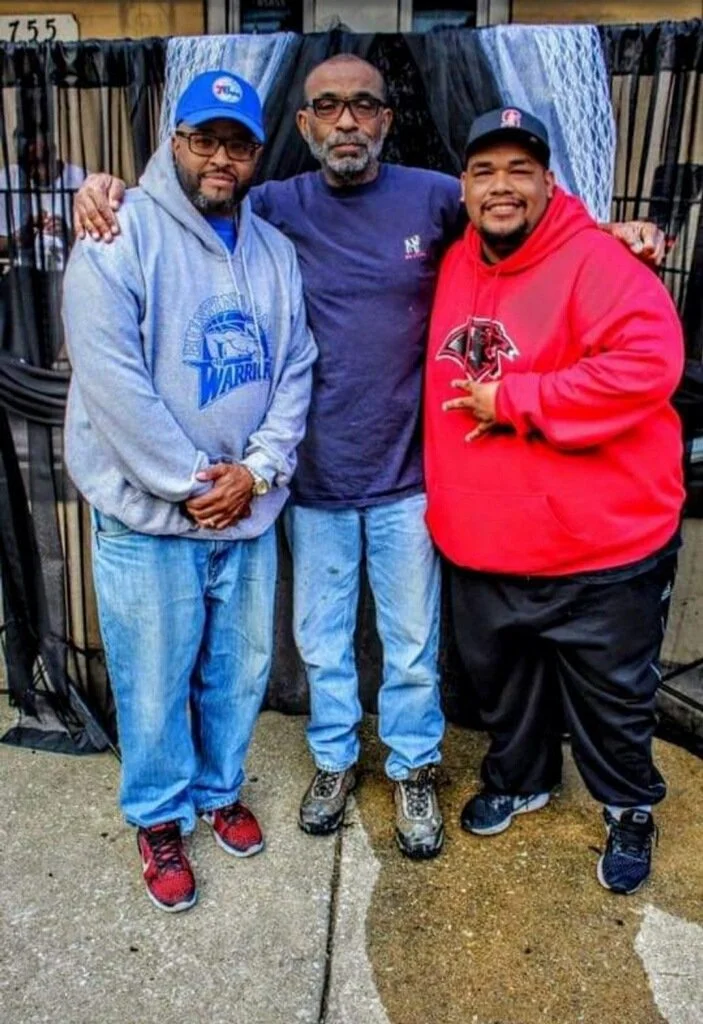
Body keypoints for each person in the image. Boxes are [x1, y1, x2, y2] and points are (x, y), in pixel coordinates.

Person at [72, 55, 666, 862]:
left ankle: (414, 767)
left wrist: (607, 232)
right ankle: (333, 761)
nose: (345, 121)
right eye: (326, 107)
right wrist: (107, 188)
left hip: (406, 482)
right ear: (305, 125)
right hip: (309, 483)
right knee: (320, 643)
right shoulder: (272, 207)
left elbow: (524, 220)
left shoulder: (433, 197)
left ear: (386, 118)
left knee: (410, 644)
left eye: (362, 106)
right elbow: (181, 198)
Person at [62, 70, 316, 912]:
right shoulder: (117, 233)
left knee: (237, 670)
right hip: (150, 522)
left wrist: (258, 472)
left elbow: (296, 370)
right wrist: (188, 486)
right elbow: (111, 382)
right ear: (173, 142)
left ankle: (216, 790)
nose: (219, 159)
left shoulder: (273, 250)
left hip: (245, 513)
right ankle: (160, 818)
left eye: (236, 145)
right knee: (154, 677)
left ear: (255, 154)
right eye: (202, 141)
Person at [424, 106, 684, 895]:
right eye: (483, 171)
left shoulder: (599, 261)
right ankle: (522, 778)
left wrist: (516, 399)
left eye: (518, 171)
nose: (501, 187)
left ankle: (627, 806)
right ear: (462, 187)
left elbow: (647, 365)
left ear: (546, 181)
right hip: (483, 543)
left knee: (612, 700)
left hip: (598, 547)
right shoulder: (450, 255)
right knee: (507, 689)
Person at [0, 129, 85, 269]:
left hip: (71, 271)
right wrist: (17, 239)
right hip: (21, 278)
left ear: (54, 151)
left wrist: (69, 234)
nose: (36, 171)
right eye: (28, 164)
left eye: (42, 162)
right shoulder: (7, 180)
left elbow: (104, 245)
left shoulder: (81, 181)